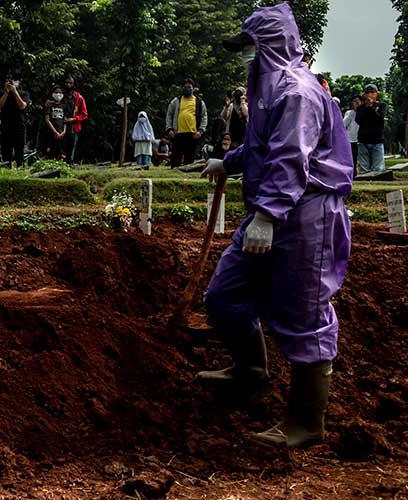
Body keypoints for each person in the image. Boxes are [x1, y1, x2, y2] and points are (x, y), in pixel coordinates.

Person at [199, 2, 354, 449]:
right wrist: (228, 161)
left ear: (271, 44)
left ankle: (306, 422)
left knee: (305, 311)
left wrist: (267, 215)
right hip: (270, 208)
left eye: (251, 46)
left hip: (306, 214)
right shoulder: (265, 89)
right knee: (225, 295)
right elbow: (263, 147)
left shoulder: (298, 91)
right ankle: (250, 370)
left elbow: (291, 157)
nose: (246, 55)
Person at [165, 78, 208, 168]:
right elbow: (169, 114)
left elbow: (204, 117)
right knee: (176, 157)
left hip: (192, 134)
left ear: (193, 88)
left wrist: (200, 131)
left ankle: (187, 173)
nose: (187, 89)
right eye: (185, 87)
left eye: (189, 87)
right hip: (178, 134)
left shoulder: (199, 102)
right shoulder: (176, 101)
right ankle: (175, 174)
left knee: (189, 158)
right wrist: (169, 129)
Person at [0, 72, 30, 168]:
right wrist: (6, 92)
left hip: (19, 126)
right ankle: (6, 169)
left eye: (14, 81)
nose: (12, 83)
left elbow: (22, 106)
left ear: (19, 82)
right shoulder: (1, 93)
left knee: (19, 150)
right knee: (6, 151)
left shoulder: (24, 93)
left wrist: (15, 92)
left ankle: (20, 167)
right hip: (5, 126)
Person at [355, 84, 387, 174]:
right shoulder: (360, 108)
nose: (369, 94)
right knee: (364, 169)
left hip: (377, 141)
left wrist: (372, 106)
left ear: (376, 94)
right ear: (364, 94)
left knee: (377, 169)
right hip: (363, 141)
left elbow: (379, 118)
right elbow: (358, 120)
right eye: (367, 92)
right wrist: (367, 106)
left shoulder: (382, 106)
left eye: (372, 92)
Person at [62, 76, 88, 166]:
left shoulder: (79, 98)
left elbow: (84, 114)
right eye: (66, 83)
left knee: (71, 148)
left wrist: (73, 119)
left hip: (73, 128)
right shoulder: (61, 96)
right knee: (61, 148)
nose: (68, 85)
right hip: (60, 127)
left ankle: (70, 165)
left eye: (70, 83)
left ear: (74, 84)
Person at [43, 84, 67, 160]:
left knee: (60, 154)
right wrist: (54, 132)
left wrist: (64, 131)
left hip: (61, 134)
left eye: (60, 93)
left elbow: (65, 120)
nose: (58, 94)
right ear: (53, 94)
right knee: (50, 154)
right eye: (56, 92)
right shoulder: (49, 105)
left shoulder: (64, 106)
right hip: (51, 133)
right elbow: (47, 120)